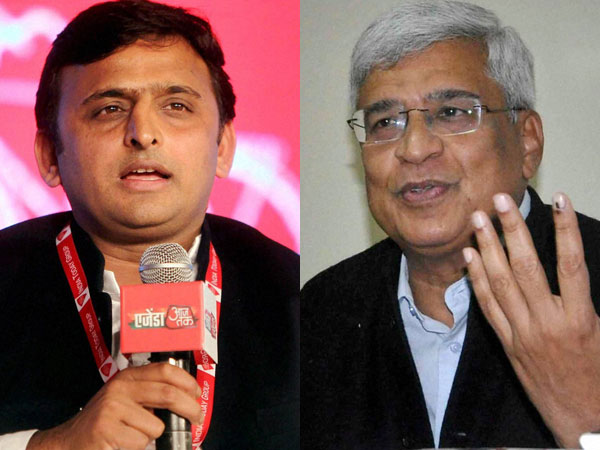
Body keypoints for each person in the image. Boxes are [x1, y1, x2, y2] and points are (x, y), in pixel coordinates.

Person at [0, 1, 299, 449]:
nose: (143, 133)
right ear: (48, 156)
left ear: (222, 147)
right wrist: (52, 445)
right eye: (109, 109)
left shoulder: (298, 294)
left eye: (176, 105)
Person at [301, 1, 600, 448]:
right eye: (385, 122)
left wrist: (588, 421)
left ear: (527, 141)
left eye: (452, 112)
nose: (414, 148)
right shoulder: (321, 311)